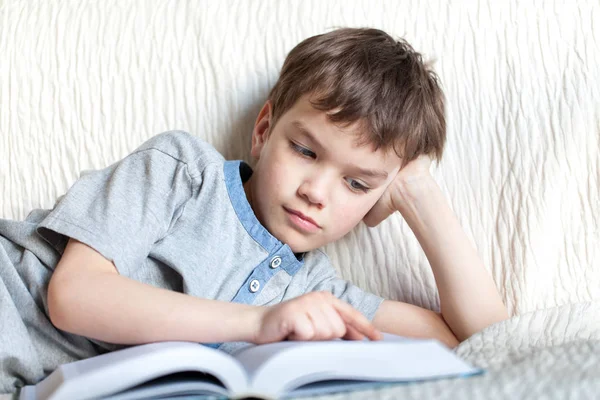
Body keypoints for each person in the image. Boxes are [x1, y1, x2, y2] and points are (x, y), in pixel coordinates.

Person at [0, 27, 509, 394]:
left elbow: (486, 339)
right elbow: (76, 296)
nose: (317, 191)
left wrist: (420, 196)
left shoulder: (317, 294)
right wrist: (259, 322)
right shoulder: (184, 173)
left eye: (356, 183)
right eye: (306, 151)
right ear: (264, 131)